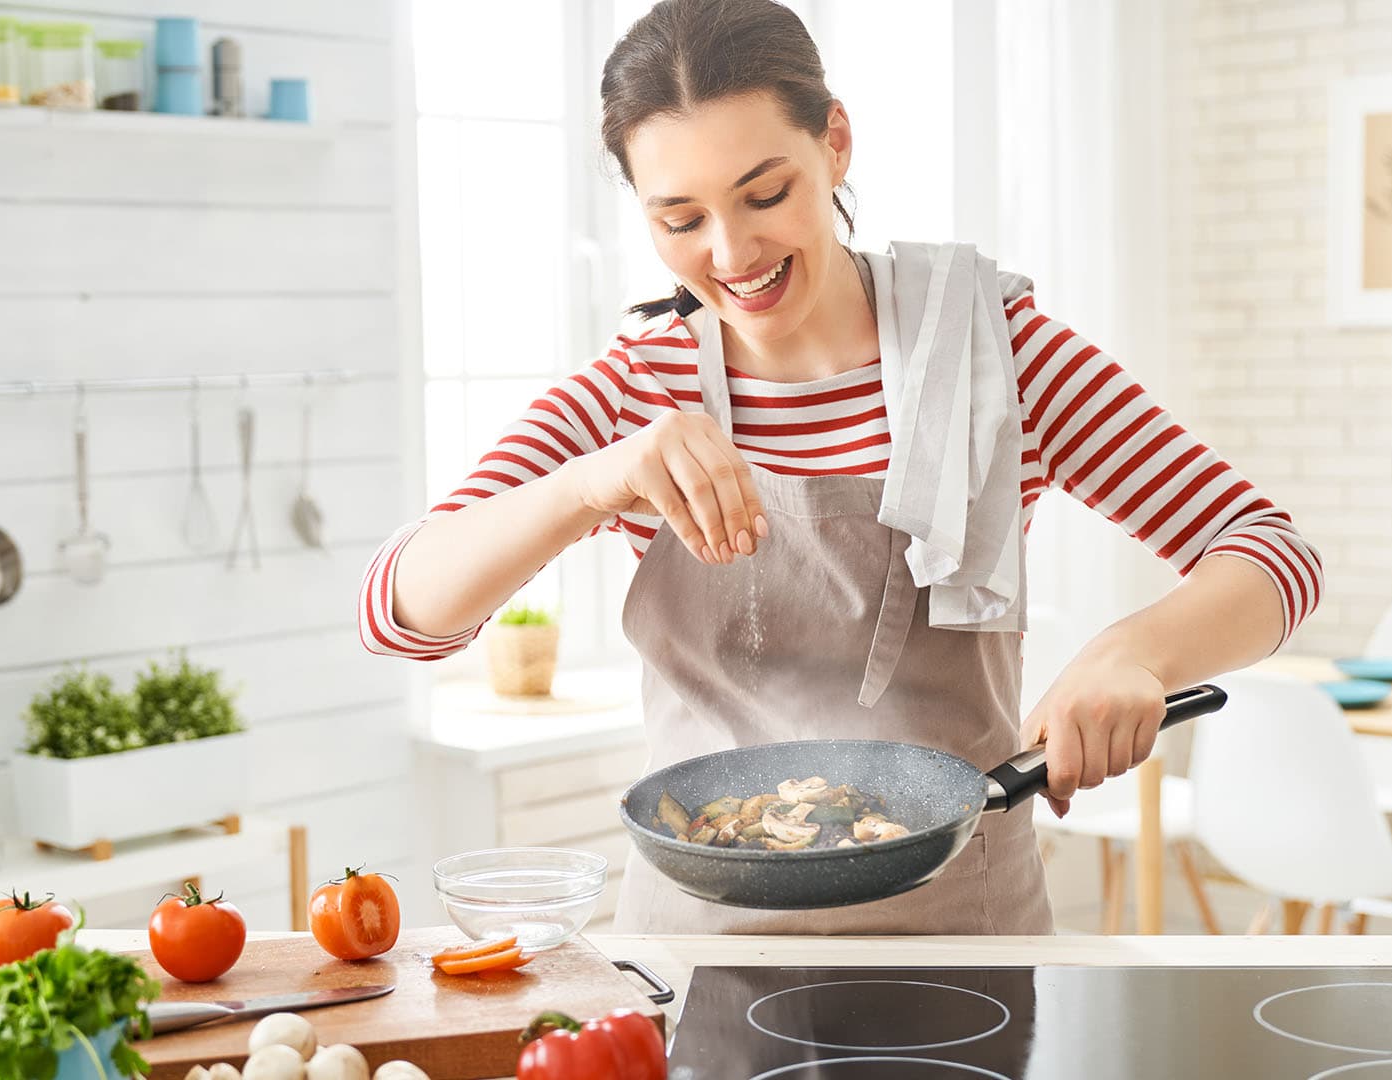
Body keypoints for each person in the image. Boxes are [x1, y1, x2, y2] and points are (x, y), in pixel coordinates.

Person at [361, 0, 1322, 934]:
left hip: (959, 936)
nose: (732, 253)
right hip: (698, 947)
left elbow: (1275, 555)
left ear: (836, 143)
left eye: (765, 194)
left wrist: (1135, 652)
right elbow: (398, 612)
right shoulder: (636, 391)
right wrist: (591, 483)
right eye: (679, 218)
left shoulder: (995, 357)